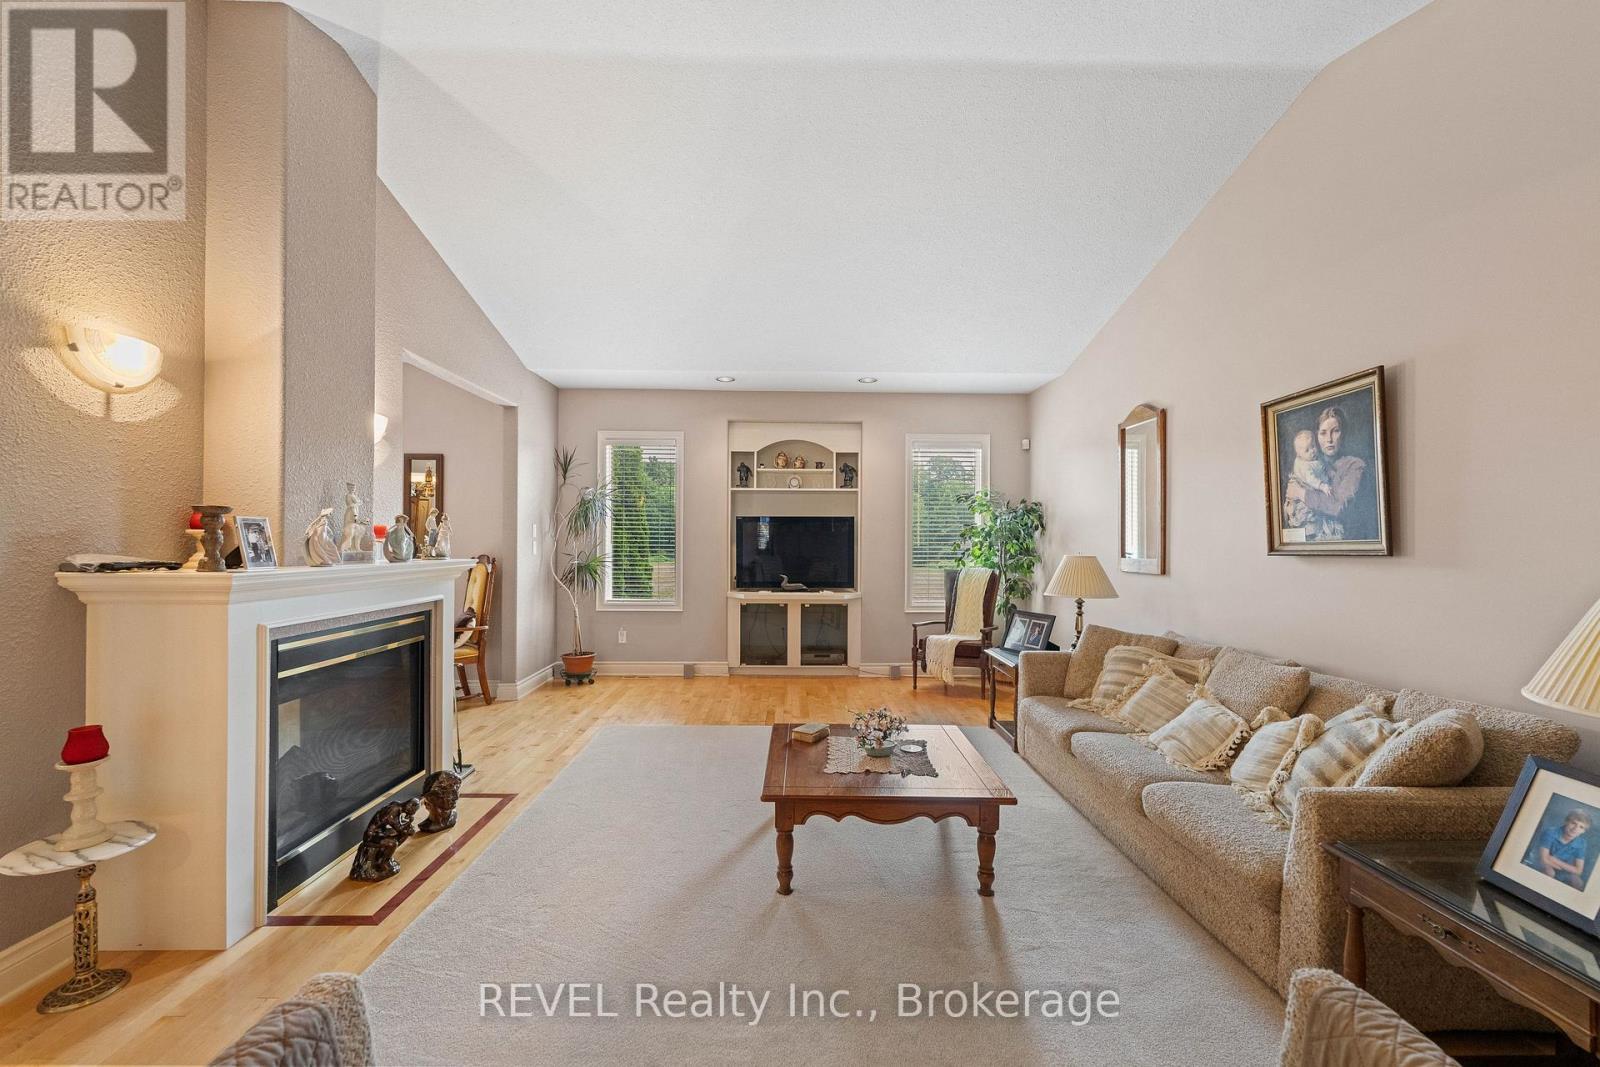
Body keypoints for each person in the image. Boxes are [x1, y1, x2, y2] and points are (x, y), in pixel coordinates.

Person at [1295, 404, 1376, 541]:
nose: (1329, 439)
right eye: (1323, 433)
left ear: (1343, 433)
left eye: (1335, 431)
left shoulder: (1355, 466)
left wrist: (1301, 493)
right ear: (1316, 437)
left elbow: (1338, 506)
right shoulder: (1309, 465)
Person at [1530, 809, 1592, 888]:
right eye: (1573, 823)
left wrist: (1554, 860)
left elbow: (1579, 871)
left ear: (1584, 831)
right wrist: (1565, 867)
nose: (1576, 828)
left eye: (1581, 827)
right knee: (1550, 872)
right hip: (1540, 862)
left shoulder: (1581, 843)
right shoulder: (1551, 832)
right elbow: (1544, 859)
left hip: (1561, 868)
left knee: (1578, 882)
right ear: (1566, 822)